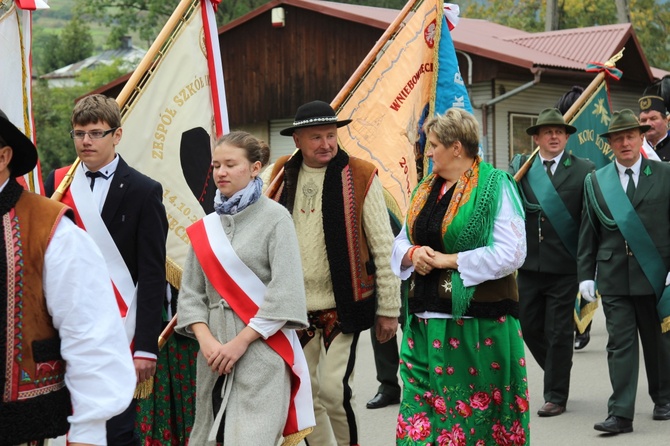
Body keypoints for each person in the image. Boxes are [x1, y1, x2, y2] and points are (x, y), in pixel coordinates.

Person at [392, 108, 529, 444]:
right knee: (418, 414)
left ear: (456, 147)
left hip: (475, 323)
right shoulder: (426, 188)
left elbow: (512, 253)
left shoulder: (495, 186)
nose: (428, 151)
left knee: (471, 417)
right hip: (422, 320)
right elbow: (400, 241)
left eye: (434, 144)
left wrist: (448, 260)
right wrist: (413, 254)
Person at [268, 100, 401, 446]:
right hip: (296, 308)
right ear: (296, 140)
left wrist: (389, 309)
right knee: (307, 394)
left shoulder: (360, 174)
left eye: (331, 135)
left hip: (344, 304)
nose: (326, 143)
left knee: (333, 389)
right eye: (316, 137)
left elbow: (384, 247)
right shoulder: (281, 173)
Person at [0, 109, 136, 445]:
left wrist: (88, 430)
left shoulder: (51, 228)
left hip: (19, 425)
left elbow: (89, 333)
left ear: (3, 156)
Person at [44, 94, 168, 446]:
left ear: (117, 135)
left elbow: (153, 273)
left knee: (116, 428)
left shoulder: (145, 191)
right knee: (66, 425)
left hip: (119, 329)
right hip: (66, 323)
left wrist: (145, 346)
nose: (86, 141)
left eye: (96, 133)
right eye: (79, 133)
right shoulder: (57, 185)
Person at [175, 131, 313, 445]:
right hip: (212, 358)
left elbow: (285, 291)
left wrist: (240, 343)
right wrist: (206, 340)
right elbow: (192, 294)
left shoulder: (276, 218)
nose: (220, 172)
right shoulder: (207, 227)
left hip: (261, 353)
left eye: (230, 164)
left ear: (255, 167)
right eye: (216, 166)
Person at [578, 109, 670, 434]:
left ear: (641, 138)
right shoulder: (596, 181)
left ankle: (664, 397)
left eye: (630, 136)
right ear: (610, 144)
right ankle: (620, 414)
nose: (625, 143)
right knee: (619, 345)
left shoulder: (664, 174)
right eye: (618, 138)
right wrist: (585, 275)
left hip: (655, 275)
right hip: (614, 276)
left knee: (658, 341)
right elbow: (588, 231)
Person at [509, 108, 594, 417]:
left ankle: (556, 394)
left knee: (559, 332)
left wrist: (589, 266)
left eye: (560, 132)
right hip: (529, 266)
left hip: (564, 266)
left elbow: (589, 221)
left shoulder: (584, 169)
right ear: (537, 138)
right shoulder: (521, 168)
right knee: (529, 327)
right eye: (548, 132)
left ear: (567, 136)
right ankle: (559, 371)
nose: (554, 136)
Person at [366, 215, 403, 410]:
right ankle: (388, 386)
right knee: (382, 324)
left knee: (415, 329)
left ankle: (420, 386)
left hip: (418, 263)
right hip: (384, 265)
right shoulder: (380, 187)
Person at [638, 95, 670, 161]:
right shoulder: (635, 150)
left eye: (653, 119)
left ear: (665, 121)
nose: (648, 124)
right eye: (643, 120)